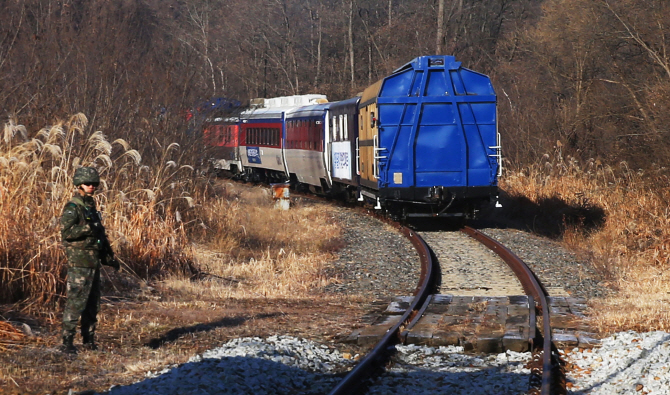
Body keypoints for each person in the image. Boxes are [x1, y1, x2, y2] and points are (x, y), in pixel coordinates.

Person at [59, 166, 120, 354]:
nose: (91, 186)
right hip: (79, 263)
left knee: (93, 304)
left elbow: (99, 237)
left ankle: (89, 340)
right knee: (76, 302)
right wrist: (88, 229)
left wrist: (109, 257)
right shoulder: (73, 207)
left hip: (93, 263)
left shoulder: (90, 206)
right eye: (87, 183)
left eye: (94, 184)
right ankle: (67, 342)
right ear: (79, 185)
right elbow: (66, 234)